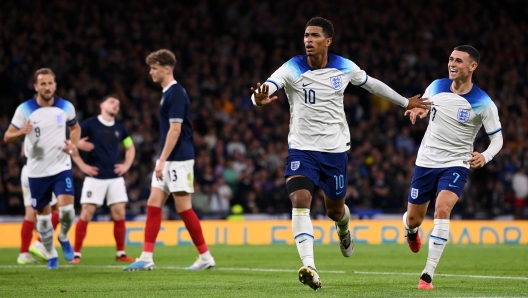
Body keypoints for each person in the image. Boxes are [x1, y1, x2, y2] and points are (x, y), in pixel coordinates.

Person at [250, 17, 431, 291]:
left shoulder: (344, 66)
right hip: (302, 148)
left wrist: (406, 102)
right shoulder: (292, 67)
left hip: (335, 151)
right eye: (306, 35)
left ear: (328, 41)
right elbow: (267, 87)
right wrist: (257, 99)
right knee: (299, 200)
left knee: (335, 211)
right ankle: (309, 266)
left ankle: (344, 230)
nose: (308, 40)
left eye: (314, 36)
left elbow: (373, 85)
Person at [402, 45, 503, 290]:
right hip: (426, 161)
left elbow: (497, 138)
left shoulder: (483, 103)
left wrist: (486, 156)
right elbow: (424, 106)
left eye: (458, 61)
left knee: (442, 209)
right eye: (450, 59)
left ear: (472, 67)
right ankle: (410, 230)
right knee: (415, 219)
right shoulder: (435, 86)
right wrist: (418, 109)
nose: (452, 64)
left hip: (457, 163)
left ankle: (427, 275)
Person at [124, 49, 215, 271]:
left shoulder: (175, 93)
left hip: (178, 159)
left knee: (183, 208)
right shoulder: (168, 93)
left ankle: (205, 257)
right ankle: (146, 257)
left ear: (167, 68)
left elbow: (175, 130)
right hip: (169, 158)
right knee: (153, 203)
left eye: (154, 68)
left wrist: (162, 160)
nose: (150, 72)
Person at [4, 68, 90, 269]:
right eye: (42, 83)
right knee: (42, 220)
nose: (47, 87)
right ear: (36, 87)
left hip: (61, 167)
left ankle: (63, 236)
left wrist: (73, 144)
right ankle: (51, 255)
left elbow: (75, 127)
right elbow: (7, 137)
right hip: (36, 172)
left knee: (67, 211)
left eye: (50, 83)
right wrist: (20, 133)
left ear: (55, 85)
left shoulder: (66, 107)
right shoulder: (25, 109)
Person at [71, 95, 136, 264]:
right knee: (86, 213)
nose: (116, 105)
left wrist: (126, 165)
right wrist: (82, 164)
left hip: (115, 177)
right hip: (95, 177)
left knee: (120, 213)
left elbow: (130, 147)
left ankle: (121, 253)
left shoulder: (121, 129)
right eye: (112, 102)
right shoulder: (89, 124)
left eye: (118, 103)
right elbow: (70, 143)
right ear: (102, 105)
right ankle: (76, 254)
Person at [19, 146, 61, 264]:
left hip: (26, 170)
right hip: (40, 172)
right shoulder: (46, 131)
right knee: (59, 209)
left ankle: (23, 254)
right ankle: (40, 243)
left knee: (30, 214)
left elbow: (22, 152)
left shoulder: (28, 132)